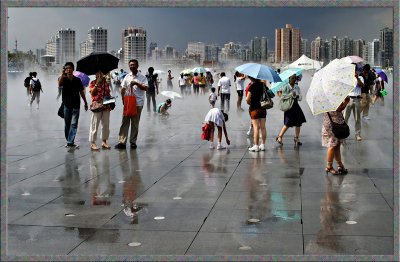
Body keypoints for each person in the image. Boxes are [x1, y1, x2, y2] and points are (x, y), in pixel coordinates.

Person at [115, 59, 148, 150]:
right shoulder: (127, 77)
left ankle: (133, 142)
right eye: (130, 65)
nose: (132, 66)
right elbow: (123, 87)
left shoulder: (142, 77)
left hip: (138, 103)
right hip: (128, 102)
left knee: (135, 123)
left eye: (134, 65)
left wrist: (137, 83)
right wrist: (123, 98)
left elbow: (146, 88)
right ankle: (122, 142)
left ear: (137, 66)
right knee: (124, 122)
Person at [58, 62, 89, 149]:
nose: (68, 69)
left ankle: (70, 141)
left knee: (74, 124)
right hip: (66, 105)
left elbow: (81, 92)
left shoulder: (77, 80)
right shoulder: (63, 79)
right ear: (65, 70)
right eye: (66, 68)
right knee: (67, 124)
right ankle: (69, 140)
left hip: (76, 105)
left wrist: (85, 102)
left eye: (70, 68)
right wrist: (62, 74)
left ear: (73, 69)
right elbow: (59, 84)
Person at [276, 74, 306, 147]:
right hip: (289, 106)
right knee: (287, 123)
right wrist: (291, 94)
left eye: (295, 78)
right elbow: (283, 96)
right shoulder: (286, 86)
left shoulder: (296, 87)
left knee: (298, 123)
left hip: (296, 106)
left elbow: (300, 97)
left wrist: (297, 96)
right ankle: (280, 137)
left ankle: (296, 138)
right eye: (292, 78)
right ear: (289, 79)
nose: (293, 80)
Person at [322, 96, 350, 175]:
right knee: (333, 145)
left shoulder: (324, 97)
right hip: (333, 124)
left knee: (337, 145)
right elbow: (338, 109)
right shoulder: (332, 97)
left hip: (331, 123)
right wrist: (346, 102)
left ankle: (340, 165)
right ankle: (329, 166)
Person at [88, 70, 113, 151]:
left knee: (105, 124)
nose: (100, 74)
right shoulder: (92, 82)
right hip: (97, 106)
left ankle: (104, 141)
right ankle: (93, 142)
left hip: (106, 106)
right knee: (95, 124)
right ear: (95, 74)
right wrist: (96, 84)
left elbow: (108, 94)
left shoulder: (106, 83)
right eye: (98, 72)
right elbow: (92, 93)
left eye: (101, 73)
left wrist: (111, 102)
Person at [344, 64, 365, 141]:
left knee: (357, 118)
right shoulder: (346, 78)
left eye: (353, 68)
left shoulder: (360, 77)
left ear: (356, 69)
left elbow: (362, 85)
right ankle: (344, 135)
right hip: (348, 99)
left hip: (357, 99)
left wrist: (356, 78)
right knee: (345, 118)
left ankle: (358, 134)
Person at [246, 76, 267, 152]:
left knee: (255, 127)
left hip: (254, 108)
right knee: (263, 127)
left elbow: (247, 99)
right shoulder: (263, 85)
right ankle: (263, 145)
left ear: (252, 78)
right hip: (263, 108)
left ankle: (256, 146)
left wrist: (250, 103)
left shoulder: (252, 86)